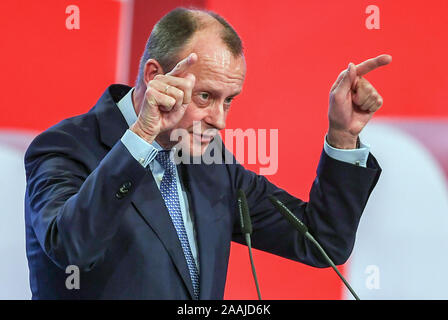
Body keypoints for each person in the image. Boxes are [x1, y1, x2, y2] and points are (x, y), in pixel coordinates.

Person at [24, 8, 390, 299]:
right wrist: (143, 136)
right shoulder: (65, 147)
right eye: (205, 97)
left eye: (229, 100)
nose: (219, 120)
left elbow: (320, 240)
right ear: (155, 76)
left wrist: (343, 136)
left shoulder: (210, 163)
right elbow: (71, 249)